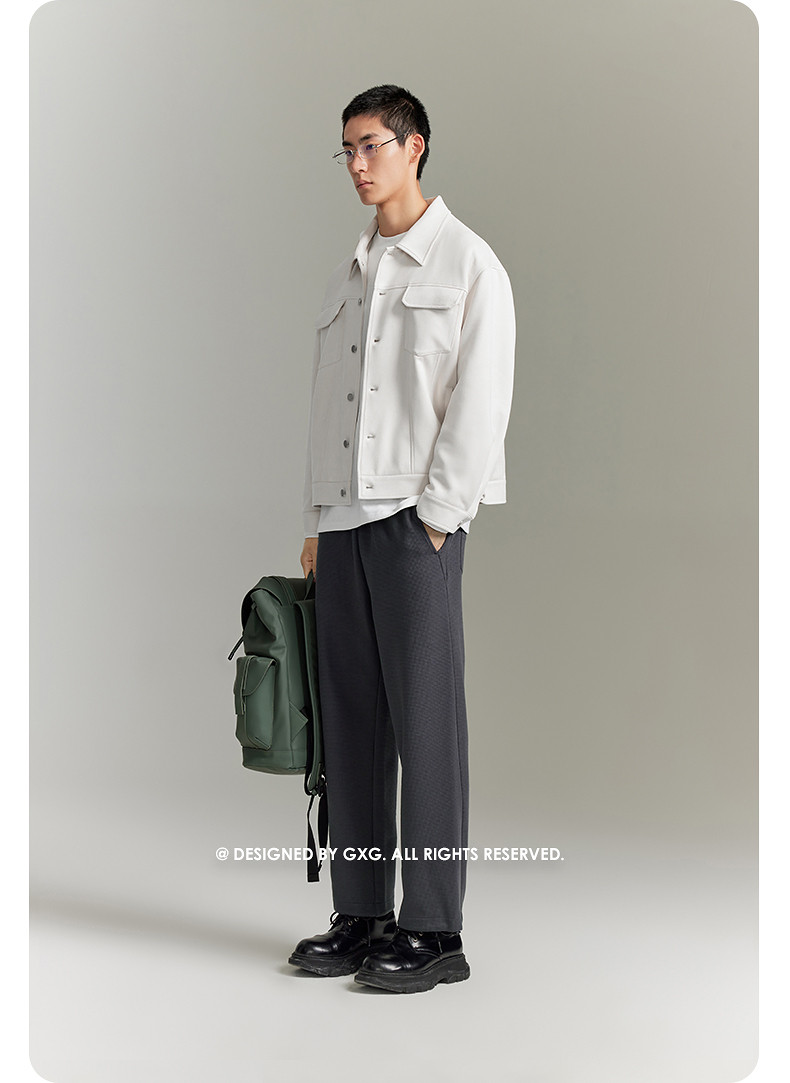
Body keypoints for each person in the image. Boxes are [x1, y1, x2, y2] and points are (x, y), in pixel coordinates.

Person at [288, 85, 516, 993]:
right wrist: (316, 519)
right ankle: (362, 912)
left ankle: (433, 929)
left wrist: (439, 517)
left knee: (426, 727)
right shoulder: (353, 271)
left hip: (415, 524)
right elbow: (332, 405)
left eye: (372, 144)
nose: (357, 163)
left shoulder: (467, 261)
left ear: (414, 146)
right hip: (344, 526)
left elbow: (482, 398)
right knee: (349, 724)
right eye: (346, 149)